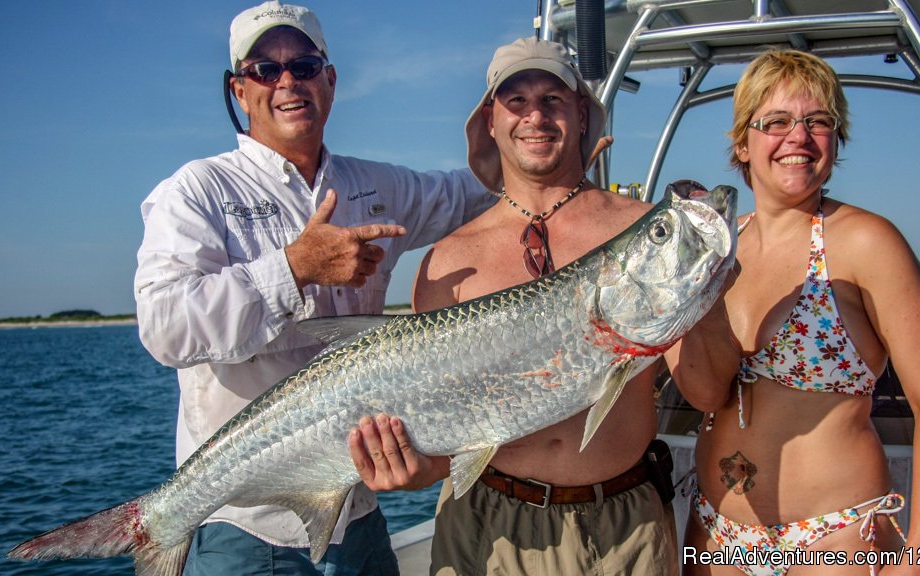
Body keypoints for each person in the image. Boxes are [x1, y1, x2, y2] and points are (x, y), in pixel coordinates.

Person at [346, 36, 733, 576]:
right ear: (490, 122)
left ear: (579, 114)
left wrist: (706, 295)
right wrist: (407, 468)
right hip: (485, 529)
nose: (536, 116)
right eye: (516, 101)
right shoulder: (449, 259)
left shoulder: (646, 232)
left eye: (552, 99)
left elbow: (709, 392)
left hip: (624, 526)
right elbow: (444, 443)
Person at [133, 2, 495, 574]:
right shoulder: (197, 191)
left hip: (358, 512)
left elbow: (473, 194)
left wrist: (563, 165)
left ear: (329, 80)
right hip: (246, 529)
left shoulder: (377, 184)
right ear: (238, 89)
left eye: (302, 65)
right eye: (263, 70)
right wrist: (293, 268)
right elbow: (164, 328)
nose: (286, 83)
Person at [668, 49, 920, 576]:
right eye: (775, 122)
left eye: (818, 122)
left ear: (836, 139)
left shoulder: (868, 242)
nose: (798, 137)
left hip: (834, 537)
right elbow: (705, 394)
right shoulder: (715, 247)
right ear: (743, 142)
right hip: (717, 534)